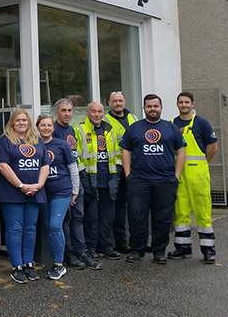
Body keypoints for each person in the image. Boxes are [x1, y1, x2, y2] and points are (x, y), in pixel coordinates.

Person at [120, 94, 186, 264]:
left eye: (155, 106)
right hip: (139, 180)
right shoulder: (134, 128)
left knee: (162, 218)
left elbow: (181, 151)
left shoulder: (171, 128)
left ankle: (159, 251)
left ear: (161, 107)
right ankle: (137, 250)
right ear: (144, 108)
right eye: (149, 106)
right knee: (137, 217)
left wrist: (176, 176)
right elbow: (126, 150)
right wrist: (128, 175)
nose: (152, 109)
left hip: (165, 180)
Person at [0, 108, 51, 283]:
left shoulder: (37, 141)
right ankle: (17, 266)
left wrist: (39, 185)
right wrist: (21, 186)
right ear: (12, 122)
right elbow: (2, 165)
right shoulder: (5, 141)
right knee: (15, 229)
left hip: (34, 192)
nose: (21, 123)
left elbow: (45, 164)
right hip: (13, 194)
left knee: (30, 229)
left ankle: (28, 264)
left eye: (24, 120)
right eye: (18, 120)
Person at [170, 92, 219, 263]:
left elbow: (213, 147)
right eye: (181, 102)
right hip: (179, 174)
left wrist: (203, 162)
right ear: (177, 104)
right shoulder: (172, 124)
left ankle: (208, 250)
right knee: (181, 212)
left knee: (203, 212)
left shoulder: (202, 123)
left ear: (192, 104)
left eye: (186, 102)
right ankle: (183, 248)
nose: (184, 105)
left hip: (198, 174)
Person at [52, 98, 100, 270]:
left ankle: (81, 251)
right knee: (66, 219)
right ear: (56, 112)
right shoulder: (54, 130)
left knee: (78, 217)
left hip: (76, 178)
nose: (67, 114)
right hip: (61, 183)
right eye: (63, 110)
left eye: (69, 111)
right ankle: (68, 253)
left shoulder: (72, 130)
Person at [77, 102, 122, 263]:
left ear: (104, 113)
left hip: (108, 180)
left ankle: (105, 246)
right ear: (88, 113)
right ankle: (91, 247)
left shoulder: (109, 130)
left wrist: (117, 171)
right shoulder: (80, 130)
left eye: (100, 111)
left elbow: (117, 153)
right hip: (90, 180)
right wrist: (83, 176)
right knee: (91, 217)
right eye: (94, 111)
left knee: (108, 216)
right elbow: (77, 156)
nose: (97, 114)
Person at [36, 115, 80, 280]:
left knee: (55, 225)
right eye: (43, 125)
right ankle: (56, 260)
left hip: (62, 191)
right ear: (38, 127)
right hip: (42, 193)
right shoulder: (35, 145)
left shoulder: (62, 144)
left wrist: (75, 191)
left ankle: (59, 265)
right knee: (49, 227)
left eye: (49, 125)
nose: (46, 128)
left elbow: (73, 167)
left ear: (53, 127)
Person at [105, 91, 139, 254]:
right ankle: (121, 242)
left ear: (124, 102)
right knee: (120, 208)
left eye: (120, 100)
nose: (118, 103)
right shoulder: (105, 121)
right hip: (116, 169)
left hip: (136, 167)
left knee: (136, 206)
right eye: (115, 101)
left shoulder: (133, 118)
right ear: (109, 103)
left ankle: (136, 242)